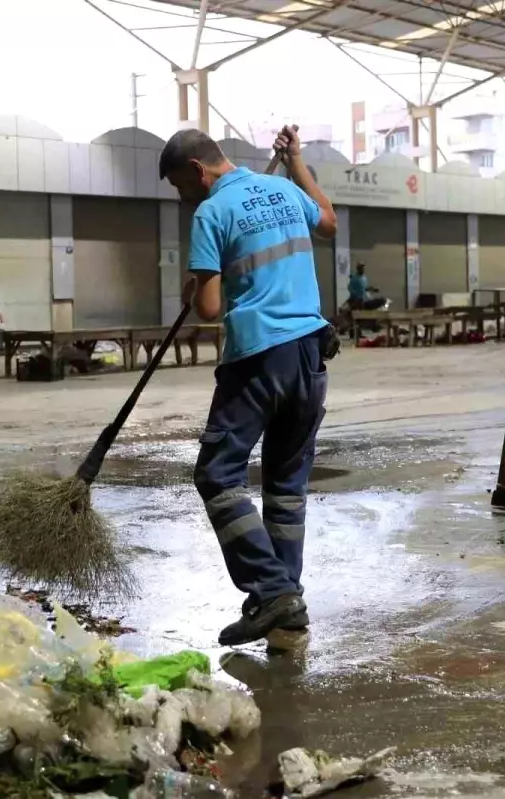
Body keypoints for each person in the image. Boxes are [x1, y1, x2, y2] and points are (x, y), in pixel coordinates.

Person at [159, 126, 338, 647]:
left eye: (178, 185)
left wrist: (195, 289)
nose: (181, 195)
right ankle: (284, 609)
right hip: (309, 351)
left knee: (217, 475)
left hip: (258, 357)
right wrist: (298, 163)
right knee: (285, 489)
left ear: (197, 170)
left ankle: (271, 587)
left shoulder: (210, 213)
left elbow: (212, 308)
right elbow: (327, 222)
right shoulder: (285, 190)